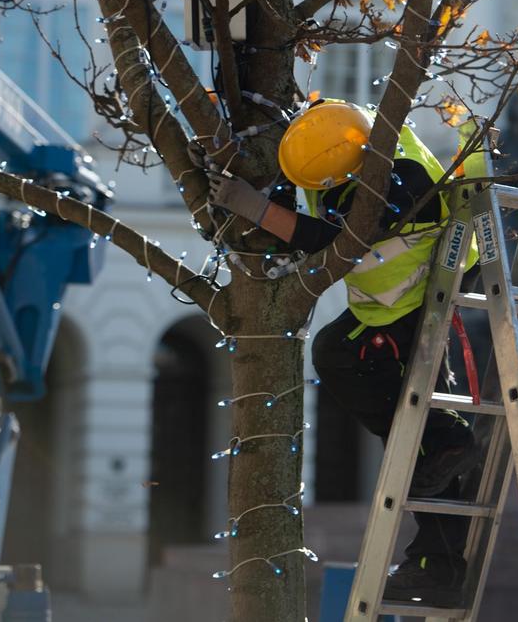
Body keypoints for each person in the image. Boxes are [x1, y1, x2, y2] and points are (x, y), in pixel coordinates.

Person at [203, 100, 480, 607]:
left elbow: (344, 241)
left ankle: (447, 451)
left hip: (416, 303)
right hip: (390, 306)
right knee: (410, 435)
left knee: (361, 377)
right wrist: (251, 191)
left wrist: (258, 210)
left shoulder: (401, 178)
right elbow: (297, 186)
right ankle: (437, 563)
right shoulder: (331, 138)